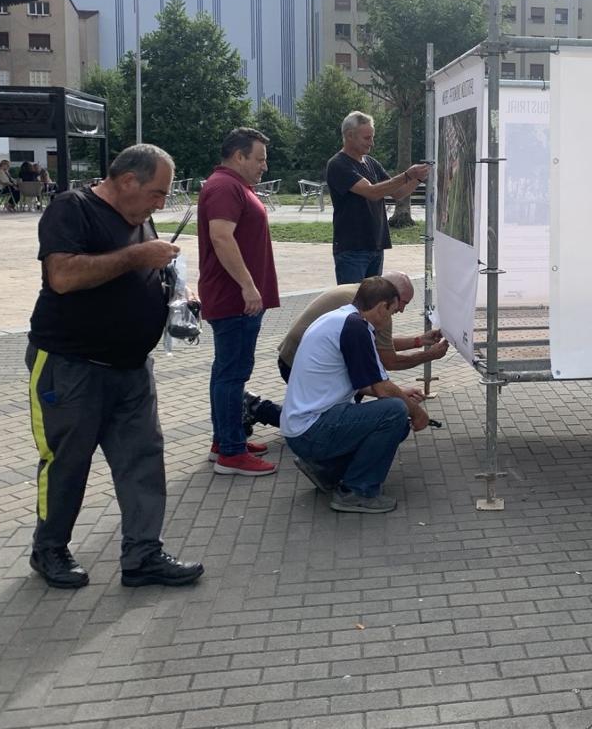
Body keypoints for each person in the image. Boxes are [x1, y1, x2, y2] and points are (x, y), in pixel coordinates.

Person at [25, 143, 204, 589]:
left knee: (143, 458)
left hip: (130, 367)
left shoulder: (138, 216)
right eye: (158, 193)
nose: (162, 203)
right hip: (70, 365)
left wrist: (178, 297)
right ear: (128, 181)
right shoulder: (73, 208)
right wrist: (137, 258)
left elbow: (142, 275)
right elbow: (62, 277)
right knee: (68, 461)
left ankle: (143, 554)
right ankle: (50, 549)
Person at [280, 276, 432, 513]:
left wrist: (400, 394)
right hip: (311, 430)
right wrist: (417, 411)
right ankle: (357, 490)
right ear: (382, 306)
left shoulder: (342, 318)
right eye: (392, 311)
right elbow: (382, 387)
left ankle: (327, 470)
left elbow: (361, 383)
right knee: (395, 411)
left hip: (302, 427)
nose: (392, 317)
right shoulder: (355, 327)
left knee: (397, 418)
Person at [242, 271, 449, 432]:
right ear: (388, 298)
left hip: (290, 358)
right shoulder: (378, 310)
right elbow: (389, 361)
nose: (401, 310)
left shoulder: (360, 296)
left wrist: (418, 341)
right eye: (402, 303)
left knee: (342, 400)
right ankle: (259, 409)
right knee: (331, 415)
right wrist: (430, 355)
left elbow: (375, 346)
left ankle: (265, 411)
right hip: (298, 365)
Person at [198, 127, 279, 476]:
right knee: (232, 374)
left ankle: (225, 440)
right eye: (258, 159)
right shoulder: (224, 187)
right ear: (238, 156)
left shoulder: (233, 186)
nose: (264, 166)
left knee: (227, 373)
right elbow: (221, 237)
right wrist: (248, 286)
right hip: (235, 300)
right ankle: (231, 452)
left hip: (238, 299)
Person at [326, 111, 430, 284]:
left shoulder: (371, 163)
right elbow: (372, 192)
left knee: (372, 305)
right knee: (353, 304)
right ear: (349, 136)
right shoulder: (338, 164)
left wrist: (418, 177)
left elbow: (398, 193)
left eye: (372, 137)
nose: (371, 143)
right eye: (367, 138)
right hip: (352, 250)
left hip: (375, 245)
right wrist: (406, 175)